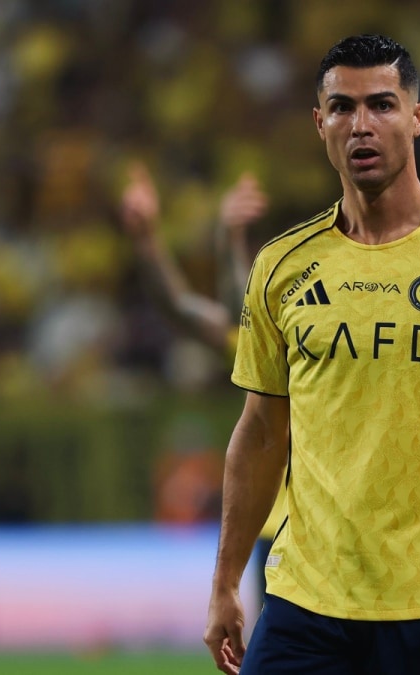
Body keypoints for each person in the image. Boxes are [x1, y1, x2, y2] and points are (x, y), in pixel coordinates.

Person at [203, 34, 420, 675]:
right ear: (319, 124)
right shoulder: (281, 268)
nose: (361, 125)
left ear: (417, 118)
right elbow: (258, 434)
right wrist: (226, 581)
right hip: (303, 604)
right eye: (341, 108)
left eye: (382, 105)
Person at [119, 161, 287, 606]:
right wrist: (146, 239)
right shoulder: (271, 348)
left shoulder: (334, 337)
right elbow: (180, 306)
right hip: (280, 533)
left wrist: (228, 239)